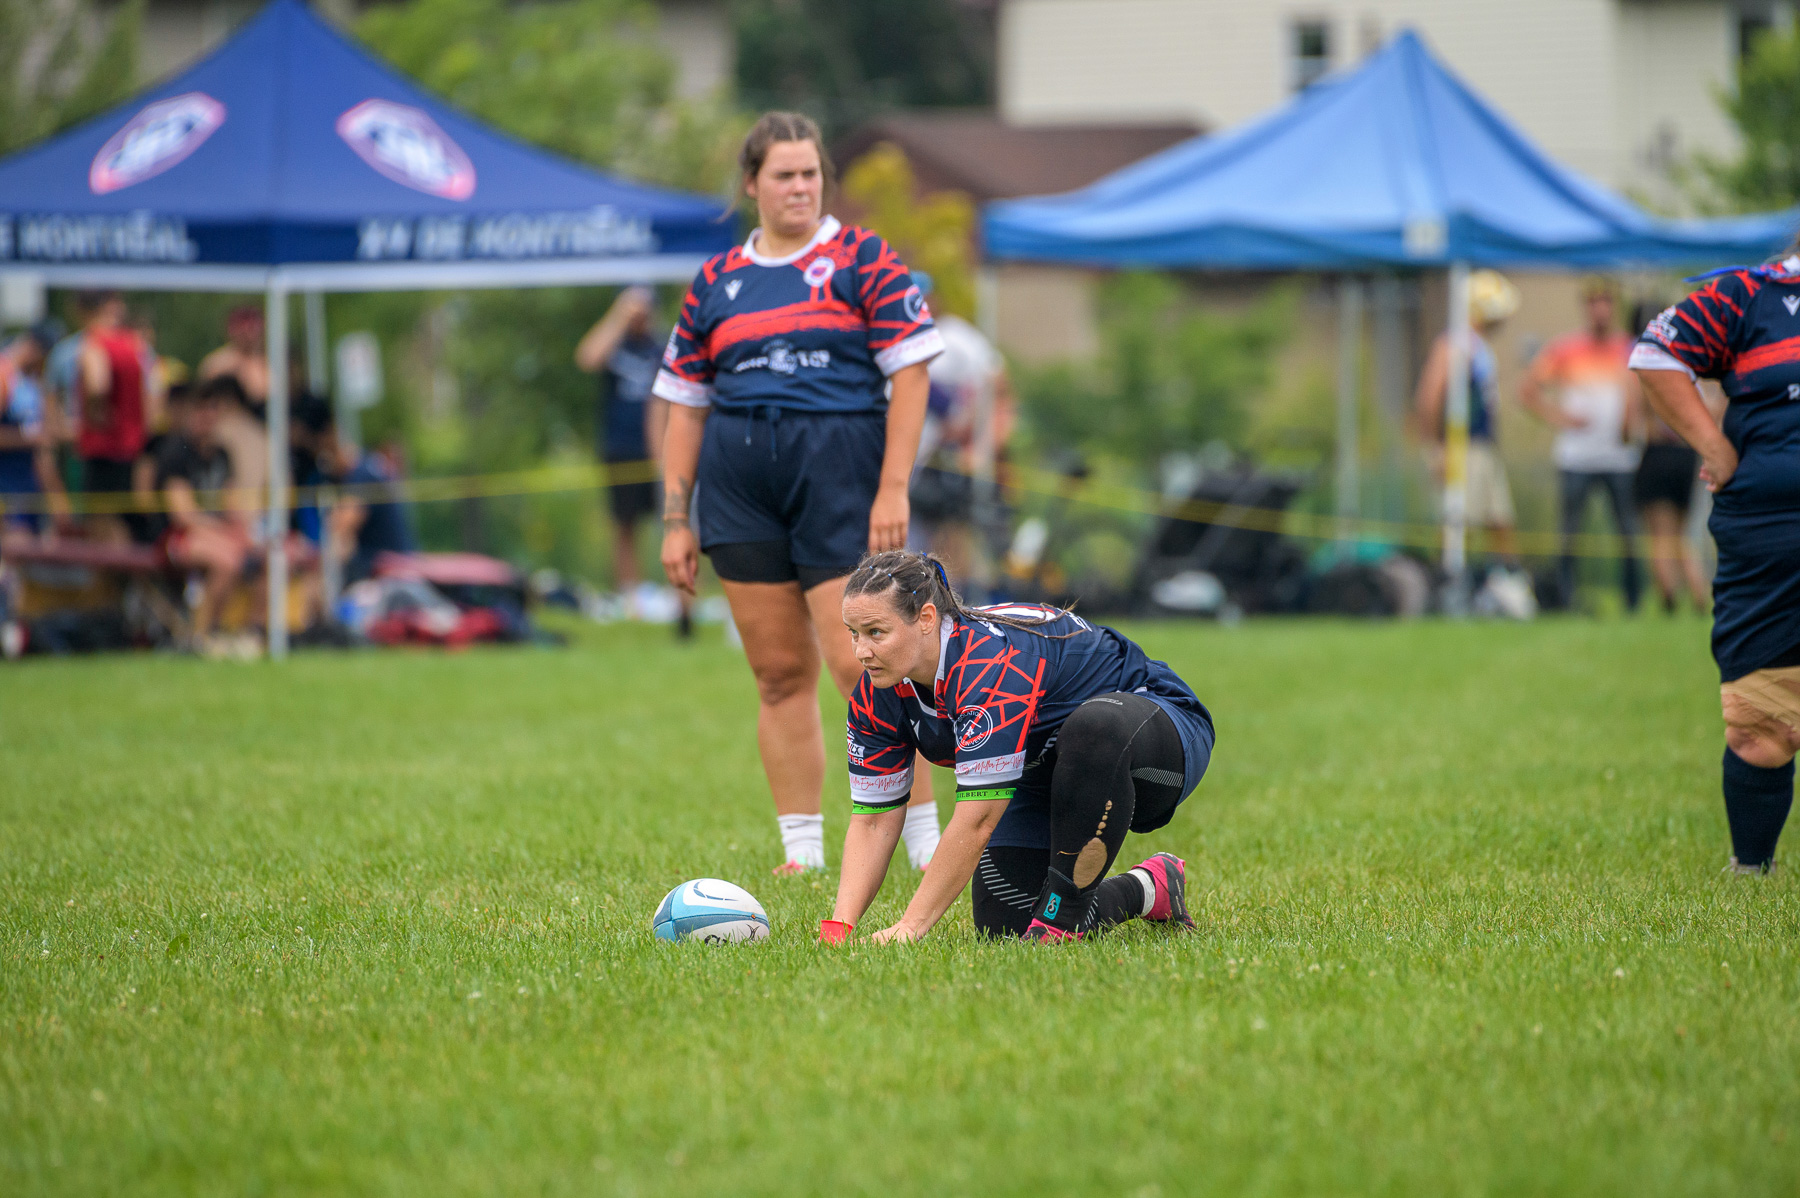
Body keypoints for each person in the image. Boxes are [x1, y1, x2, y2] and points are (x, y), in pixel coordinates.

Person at [654, 112, 944, 874]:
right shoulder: (716, 281)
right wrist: (676, 520)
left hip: (840, 477)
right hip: (739, 488)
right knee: (779, 674)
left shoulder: (862, 258)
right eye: (784, 175)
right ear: (752, 184)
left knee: (864, 668)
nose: (800, 188)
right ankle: (802, 852)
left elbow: (912, 372)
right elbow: (684, 405)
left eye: (811, 173)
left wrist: (892, 487)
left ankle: (921, 841)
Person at [820, 551, 1215, 944]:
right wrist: (840, 928)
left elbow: (977, 821)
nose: (861, 652)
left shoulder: (987, 664)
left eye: (875, 632)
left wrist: (910, 927)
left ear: (925, 619)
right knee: (1005, 926)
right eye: (853, 632)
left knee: (1095, 727)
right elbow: (873, 820)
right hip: (1046, 767)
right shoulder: (877, 692)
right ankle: (1149, 888)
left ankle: (1061, 925)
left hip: (1158, 736)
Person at [1631, 249, 1800, 873]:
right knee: (1761, 719)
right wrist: (1713, 445)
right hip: (1767, 530)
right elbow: (1654, 353)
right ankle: (1753, 867)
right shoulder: (1747, 294)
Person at [575, 285, 692, 636]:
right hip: (619, 448)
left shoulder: (661, 347)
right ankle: (632, 599)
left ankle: (679, 601)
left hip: (660, 449)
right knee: (623, 526)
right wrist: (619, 315)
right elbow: (587, 358)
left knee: (671, 522)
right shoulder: (616, 346)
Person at [1521, 278, 1643, 611]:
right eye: (1593, 302)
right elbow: (1528, 391)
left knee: (1628, 531)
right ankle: (1564, 598)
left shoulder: (1628, 348)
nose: (1600, 309)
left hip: (1620, 457)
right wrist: (1559, 417)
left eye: (1605, 301)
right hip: (1577, 457)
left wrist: (1632, 420)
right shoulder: (1565, 349)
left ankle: (1633, 601)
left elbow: (1641, 393)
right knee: (1570, 532)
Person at [907, 273, 1015, 589]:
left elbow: (995, 377)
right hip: (917, 456)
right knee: (920, 529)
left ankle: (967, 593)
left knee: (958, 525)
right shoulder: (896, 340)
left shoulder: (953, 335)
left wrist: (975, 430)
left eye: (922, 298)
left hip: (949, 456)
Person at [1413, 269, 1523, 573]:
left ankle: (1508, 581)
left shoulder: (1478, 346)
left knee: (1499, 519)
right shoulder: (1454, 344)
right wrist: (1434, 448)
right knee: (1458, 522)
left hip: (1483, 446)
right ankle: (1444, 581)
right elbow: (1429, 397)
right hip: (1464, 447)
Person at [146, 383, 250, 648]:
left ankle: (240, 629)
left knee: (256, 554)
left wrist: (241, 529)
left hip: (213, 533)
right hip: (174, 538)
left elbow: (233, 503)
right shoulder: (175, 452)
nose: (207, 417)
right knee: (226, 560)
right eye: (201, 410)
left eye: (213, 410)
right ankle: (202, 635)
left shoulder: (222, 455)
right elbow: (183, 515)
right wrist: (222, 531)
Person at [1629, 299, 1714, 613]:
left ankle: (1668, 598)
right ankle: (1698, 594)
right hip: (1687, 454)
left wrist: (1627, 436)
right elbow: (1710, 407)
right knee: (1682, 534)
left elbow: (1631, 415)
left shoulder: (1648, 362)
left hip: (1658, 455)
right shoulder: (1690, 363)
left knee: (1660, 534)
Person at [72, 291, 151, 543]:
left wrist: (97, 411)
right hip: (133, 447)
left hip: (104, 447)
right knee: (127, 519)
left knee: (102, 524)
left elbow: (97, 382)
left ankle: (116, 581)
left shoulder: (93, 343)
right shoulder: (134, 344)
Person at [319, 411, 418, 584]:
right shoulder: (369, 467)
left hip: (388, 572)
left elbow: (339, 525)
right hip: (394, 564)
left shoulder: (362, 475)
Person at [0, 325, 72, 535]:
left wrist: (58, 502)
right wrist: (29, 438)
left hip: (28, 494)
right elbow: (36, 438)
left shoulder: (32, 382)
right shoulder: (5, 376)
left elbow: (43, 449)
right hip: (6, 490)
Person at [198, 305, 270, 417]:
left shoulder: (272, 363)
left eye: (251, 326)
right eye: (242, 327)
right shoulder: (216, 364)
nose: (246, 333)